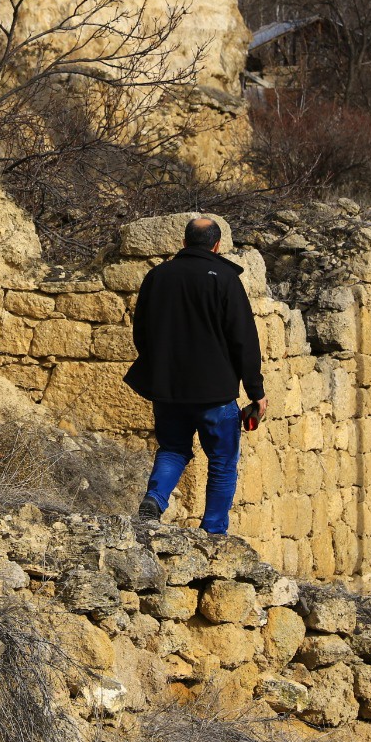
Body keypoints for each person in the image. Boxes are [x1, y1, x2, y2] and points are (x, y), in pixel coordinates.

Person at [125, 216, 266, 535]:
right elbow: (244, 338)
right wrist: (255, 390)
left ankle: (154, 501)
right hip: (215, 393)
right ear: (217, 245)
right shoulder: (226, 279)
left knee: (173, 449)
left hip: (168, 389)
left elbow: (141, 333)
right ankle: (214, 531)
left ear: (185, 243)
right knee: (222, 460)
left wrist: (160, 367)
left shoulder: (157, 276)